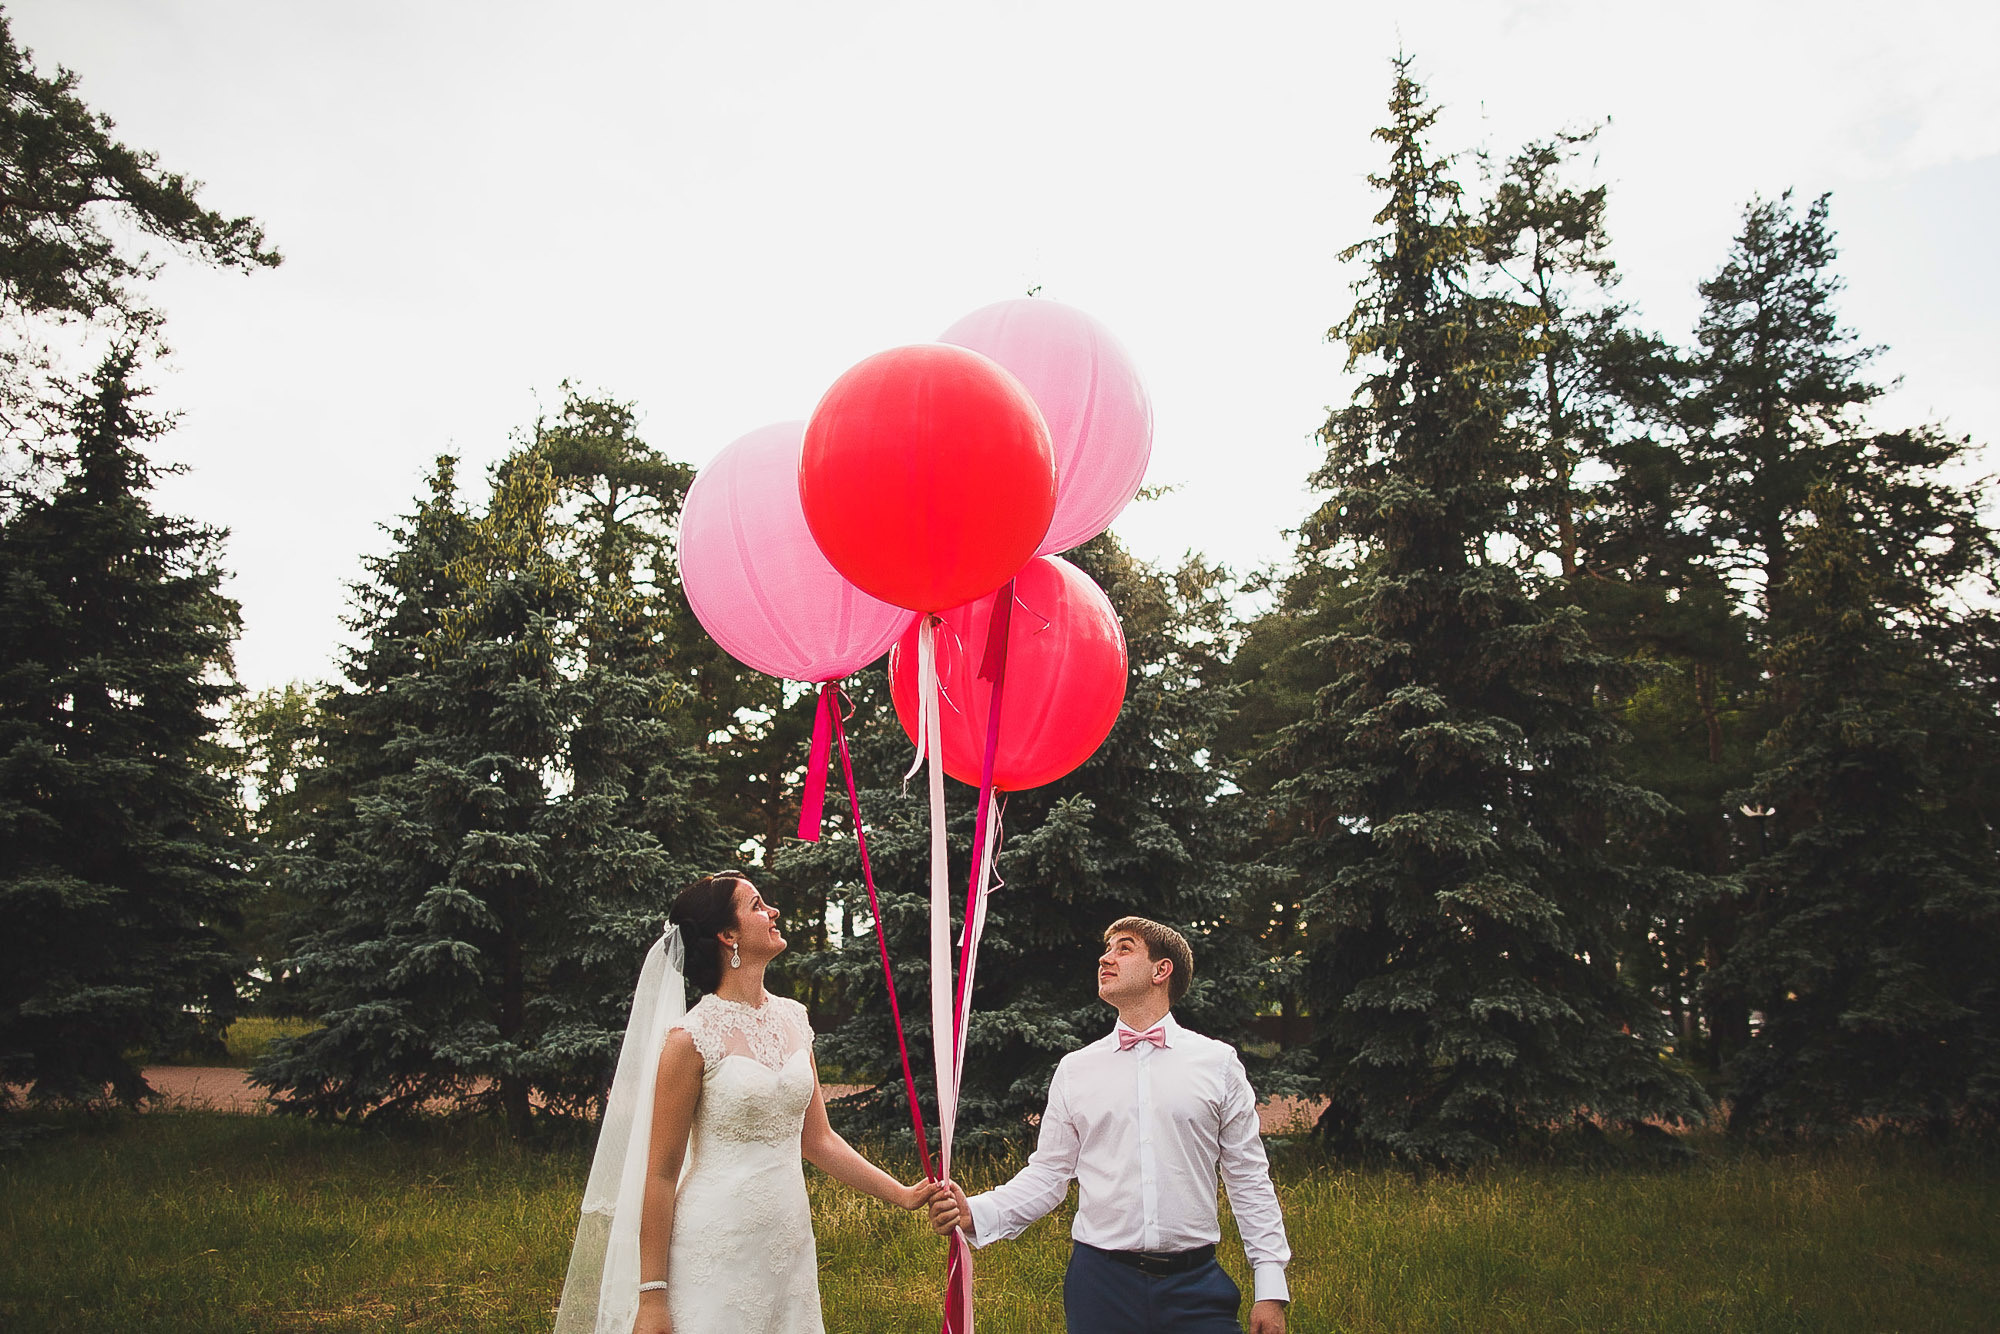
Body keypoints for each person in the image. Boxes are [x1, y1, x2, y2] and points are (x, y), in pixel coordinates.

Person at [554, 871, 940, 1334]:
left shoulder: (794, 1018)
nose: (773, 911)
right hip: (714, 1246)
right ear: (728, 935)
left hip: (788, 1244)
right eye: (757, 905)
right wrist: (652, 1296)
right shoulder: (690, 1039)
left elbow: (819, 1141)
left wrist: (902, 1193)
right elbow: (659, 1174)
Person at [928, 917, 1292, 1334]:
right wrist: (974, 1211)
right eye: (1106, 949)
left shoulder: (1219, 1064)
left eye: (1124, 948)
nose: (1106, 957)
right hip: (1099, 1285)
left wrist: (1269, 1286)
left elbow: (1248, 1177)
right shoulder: (1075, 1070)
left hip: (1197, 1286)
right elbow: (1048, 1175)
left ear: (1161, 970)